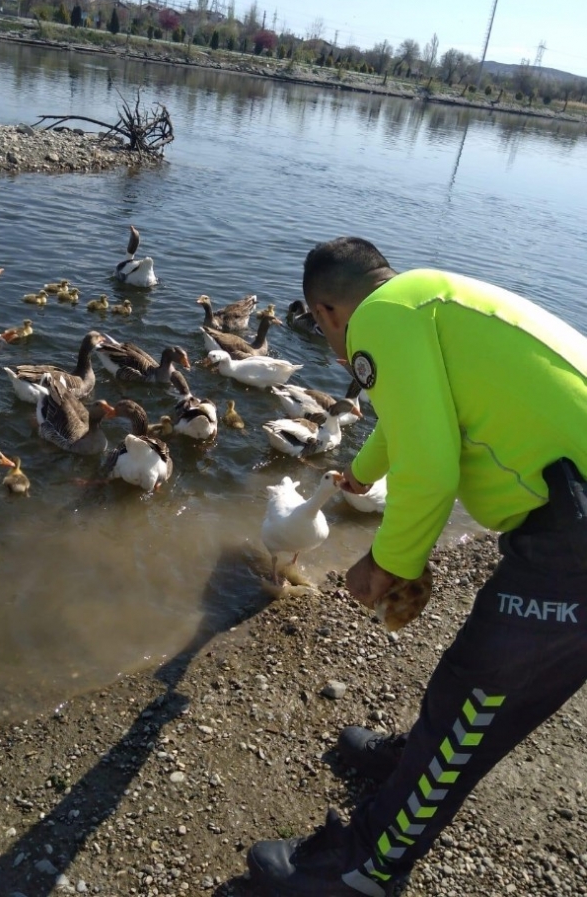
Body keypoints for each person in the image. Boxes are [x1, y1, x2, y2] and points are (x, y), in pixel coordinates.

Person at [247, 236, 587, 897]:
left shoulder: (377, 320)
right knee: (481, 680)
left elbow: (431, 467)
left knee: (483, 687)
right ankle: (415, 761)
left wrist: (387, 561)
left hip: (575, 536)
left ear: (327, 310)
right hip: (569, 514)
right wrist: (361, 472)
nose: (331, 343)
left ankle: (364, 867)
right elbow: (414, 422)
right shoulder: (428, 296)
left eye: (322, 328)